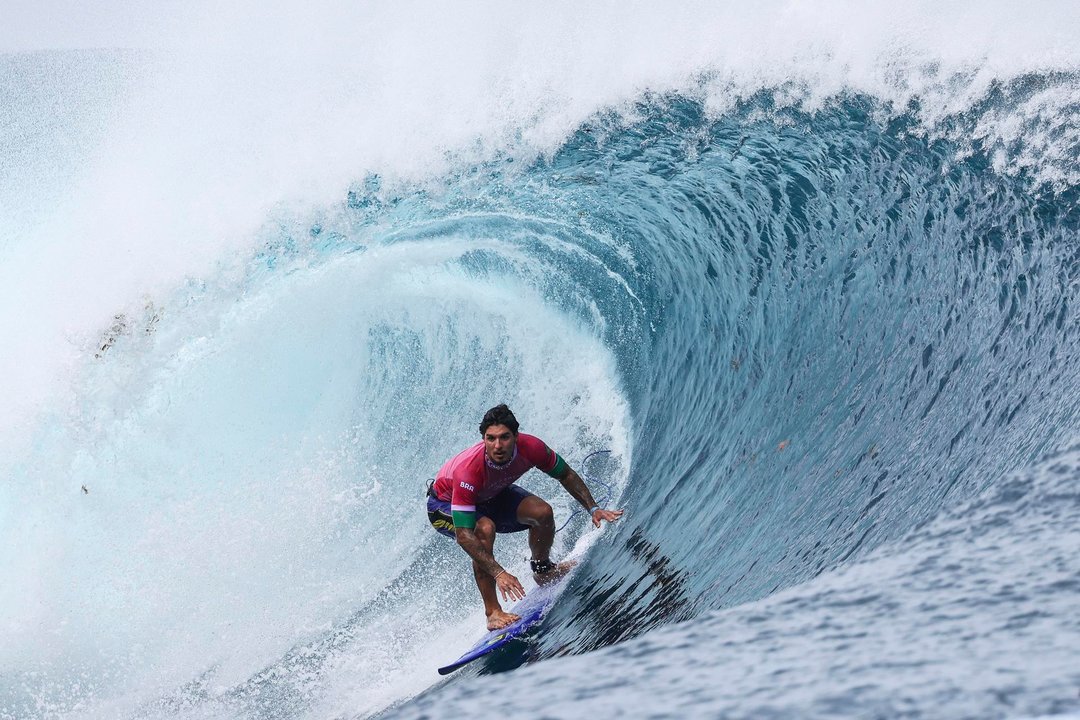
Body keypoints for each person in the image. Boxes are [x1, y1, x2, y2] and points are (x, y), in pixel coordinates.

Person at [426, 404, 623, 630]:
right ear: (483, 439)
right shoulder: (468, 470)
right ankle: (493, 612)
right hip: (442, 504)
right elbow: (463, 535)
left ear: (516, 437)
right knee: (484, 529)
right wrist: (499, 573)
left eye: (504, 438)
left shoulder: (531, 447)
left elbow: (566, 474)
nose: (497, 445)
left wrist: (593, 508)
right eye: (490, 439)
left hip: (490, 495)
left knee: (542, 512)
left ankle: (544, 571)